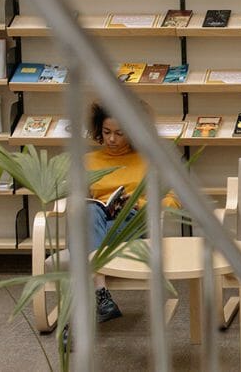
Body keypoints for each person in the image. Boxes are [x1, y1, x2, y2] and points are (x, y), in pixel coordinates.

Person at [85, 103, 179, 322]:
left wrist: (139, 204)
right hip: (95, 222)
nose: (111, 139)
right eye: (106, 132)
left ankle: (92, 302)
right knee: (88, 212)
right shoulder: (88, 162)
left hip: (131, 224)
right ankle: (102, 295)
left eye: (119, 133)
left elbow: (173, 202)